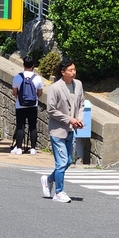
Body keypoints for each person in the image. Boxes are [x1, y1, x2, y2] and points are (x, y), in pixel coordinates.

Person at [41, 57, 84, 203]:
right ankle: (59, 192)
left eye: (74, 69)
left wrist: (79, 119)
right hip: (58, 130)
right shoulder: (55, 88)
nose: (73, 73)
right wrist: (69, 119)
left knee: (68, 162)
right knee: (62, 162)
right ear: (63, 72)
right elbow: (51, 109)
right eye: (70, 70)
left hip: (71, 130)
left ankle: (49, 179)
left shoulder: (78, 84)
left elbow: (82, 104)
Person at [10, 56, 45, 155]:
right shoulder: (37, 78)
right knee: (32, 126)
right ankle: (33, 148)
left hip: (20, 105)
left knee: (20, 126)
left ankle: (19, 148)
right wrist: (34, 99)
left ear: (23, 65)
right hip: (33, 105)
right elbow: (40, 93)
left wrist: (20, 98)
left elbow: (14, 92)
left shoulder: (17, 77)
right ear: (33, 65)